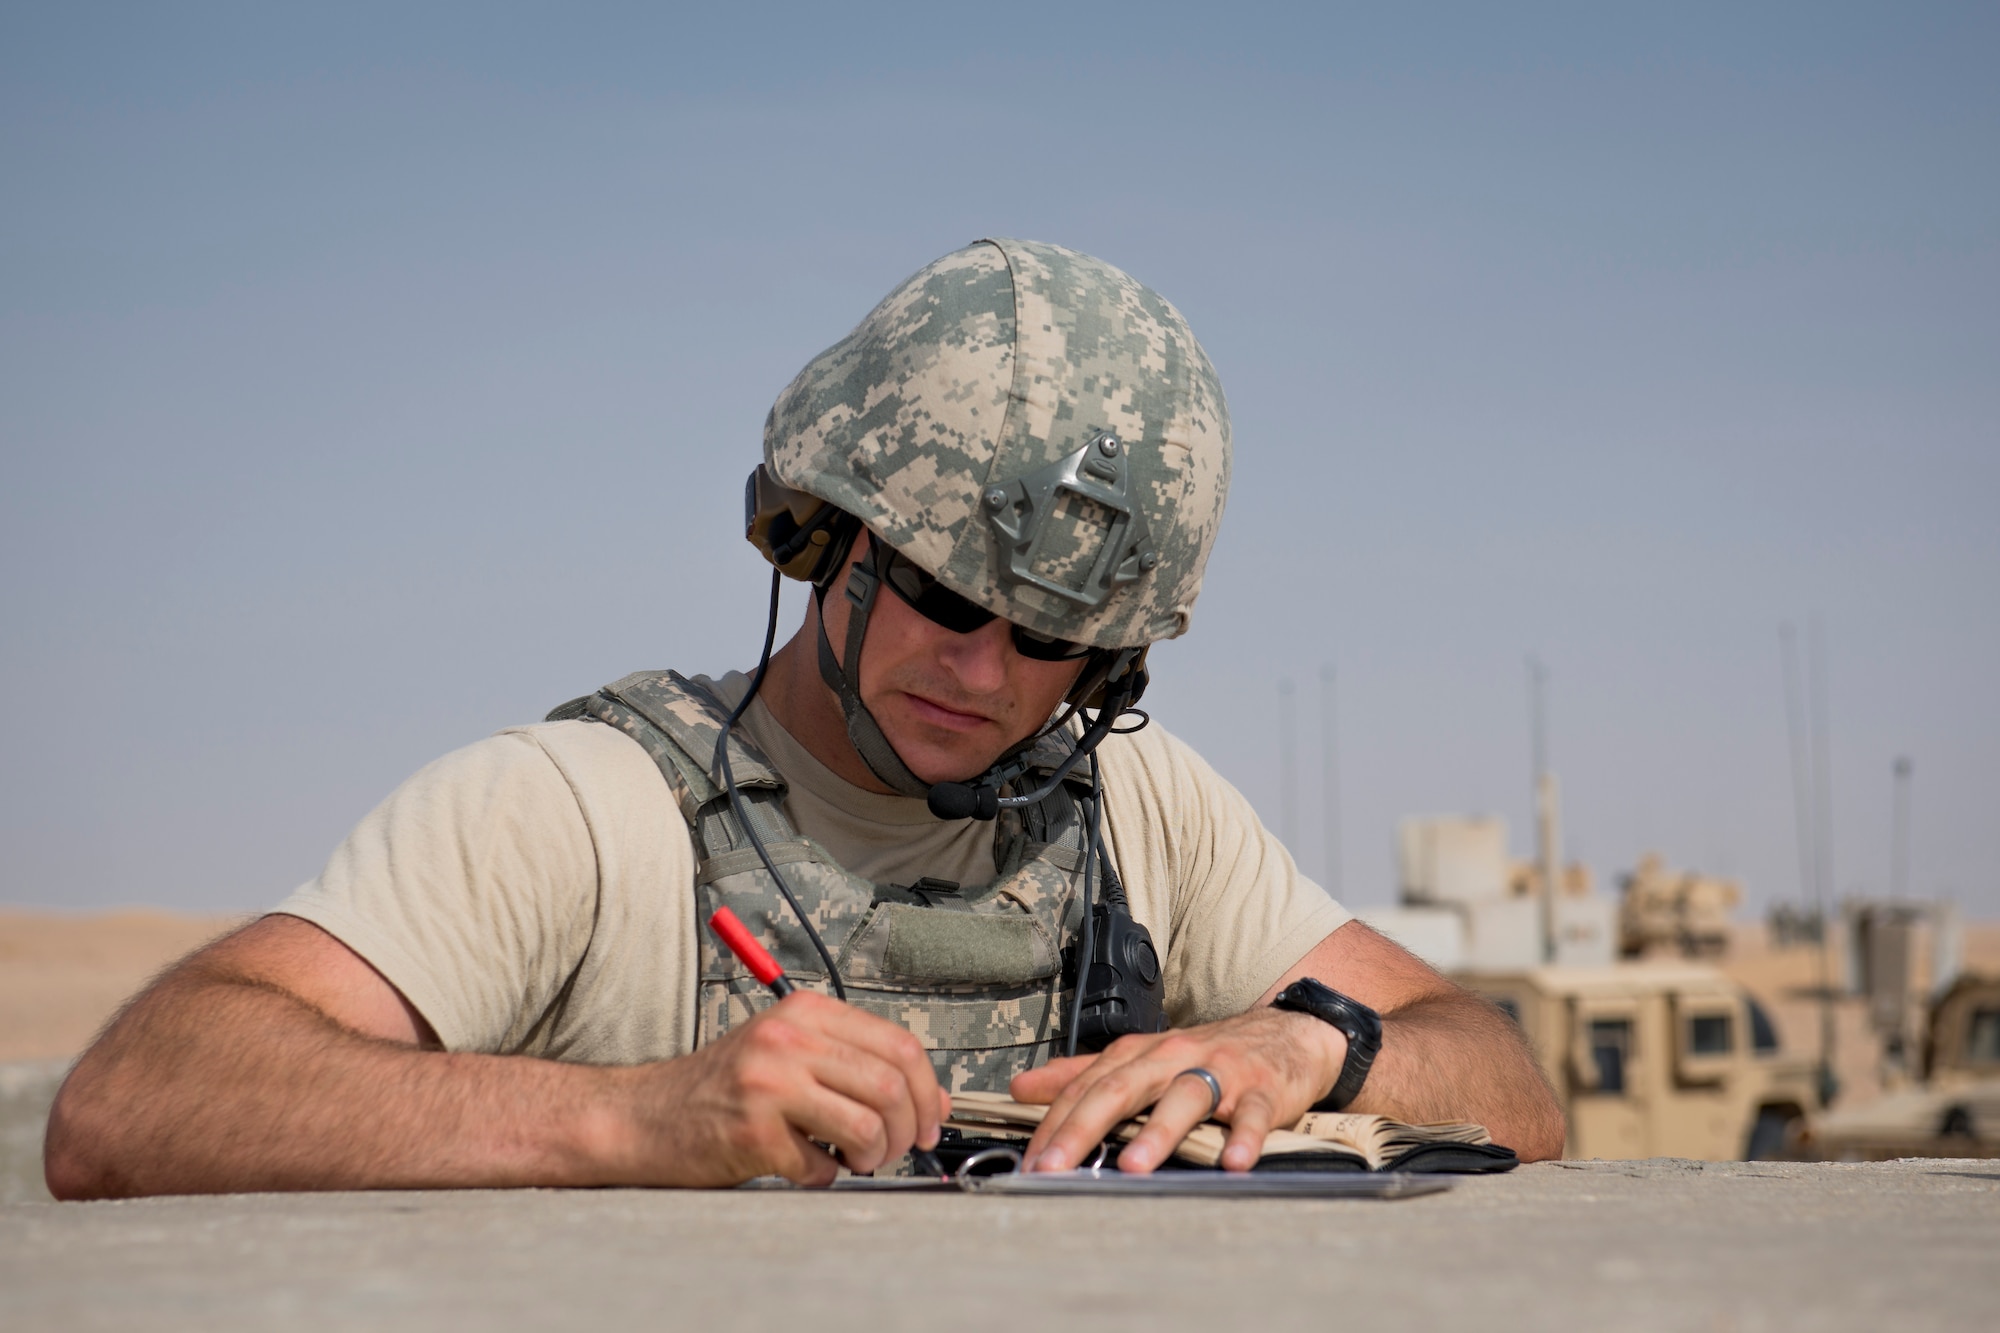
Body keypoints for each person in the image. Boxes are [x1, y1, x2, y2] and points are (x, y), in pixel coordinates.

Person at [46, 238, 1564, 1199]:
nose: (983, 669)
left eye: (1050, 640)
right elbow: (136, 1097)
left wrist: (1309, 1051)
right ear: (824, 541)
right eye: (941, 596)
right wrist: (631, 1123)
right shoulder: (582, 810)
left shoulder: (1143, 810)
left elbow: (1498, 1076)